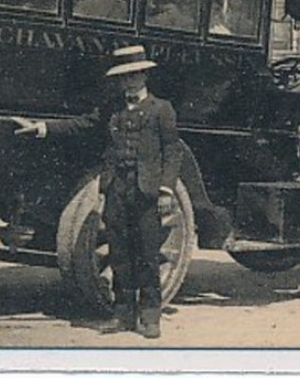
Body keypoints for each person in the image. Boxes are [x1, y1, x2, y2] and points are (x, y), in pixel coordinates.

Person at [14, 45, 181, 337]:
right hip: (116, 189)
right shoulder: (111, 109)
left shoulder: (162, 109)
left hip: (146, 193)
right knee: (119, 254)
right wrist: (43, 128)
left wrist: (166, 190)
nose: (130, 82)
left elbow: (172, 151)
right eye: (124, 77)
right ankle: (123, 314)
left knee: (147, 255)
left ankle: (150, 316)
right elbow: (83, 124)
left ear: (144, 76)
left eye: (134, 75)